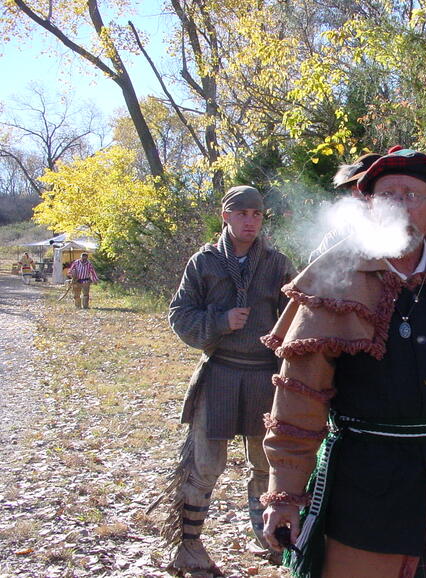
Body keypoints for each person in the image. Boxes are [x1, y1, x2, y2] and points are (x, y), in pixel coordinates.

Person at [260, 148, 426, 577]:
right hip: (365, 489)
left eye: (411, 195)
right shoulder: (332, 280)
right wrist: (285, 495)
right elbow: (299, 402)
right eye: (387, 196)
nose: (398, 206)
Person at [161, 186, 296, 577]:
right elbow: (180, 316)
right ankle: (188, 547)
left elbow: (293, 319)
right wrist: (220, 322)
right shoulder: (204, 262)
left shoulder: (277, 263)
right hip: (219, 372)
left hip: (263, 378)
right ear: (226, 216)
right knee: (203, 465)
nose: (250, 221)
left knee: (266, 463)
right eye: (242, 214)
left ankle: (269, 539)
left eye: (257, 214)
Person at [308, 152, 382, 263]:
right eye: (355, 189)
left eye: (368, 187)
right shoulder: (339, 235)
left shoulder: (408, 228)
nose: (361, 195)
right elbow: (313, 269)